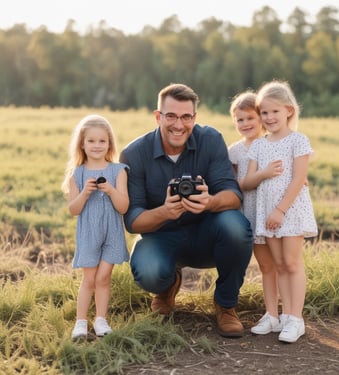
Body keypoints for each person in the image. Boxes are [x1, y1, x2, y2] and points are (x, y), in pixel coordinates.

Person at [119, 83, 253, 338]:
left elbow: (233, 195)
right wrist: (165, 212)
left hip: (207, 233)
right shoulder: (134, 154)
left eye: (185, 117)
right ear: (158, 116)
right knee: (148, 271)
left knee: (237, 226)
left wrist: (209, 202)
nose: (178, 125)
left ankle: (226, 304)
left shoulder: (210, 139)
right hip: (162, 235)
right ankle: (167, 285)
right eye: (171, 116)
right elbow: (133, 220)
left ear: (194, 118)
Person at [242, 80, 318, 343]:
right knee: (279, 265)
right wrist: (263, 174)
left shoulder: (298, 140)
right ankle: (283, 317)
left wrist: (280, 211)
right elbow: (248, 181)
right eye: (264, 112)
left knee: (292, 263)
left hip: (289, 211)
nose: (269, 117)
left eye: (275, 111)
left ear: (288, 110)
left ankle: (296, 318)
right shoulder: (260, 145)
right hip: (267, 213)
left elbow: (299, 179)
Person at [61, 114, 130, 340]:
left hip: (112, 232)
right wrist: (85, 192)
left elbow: (123, 207)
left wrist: (110, 190)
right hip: (89, 233)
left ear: (109, 143)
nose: (97, 145)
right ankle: (81, 322)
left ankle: (100, 319)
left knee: (103, 278)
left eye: (102, 141)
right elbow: (74, 209)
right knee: (89, 279)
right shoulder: (78, 173)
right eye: (91, 141)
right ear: (82, 143)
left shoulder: (118, 170)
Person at [228, 90, 282, 335]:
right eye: (240, 120)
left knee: (278, 264)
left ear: (261, 118)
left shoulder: (273, 144)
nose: (245, 124)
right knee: (264, 265)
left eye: (250, 118)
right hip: (246, 213)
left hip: (269, 213)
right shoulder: (234, 151)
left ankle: (285, 313)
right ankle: (270, 314)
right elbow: (231, 184)